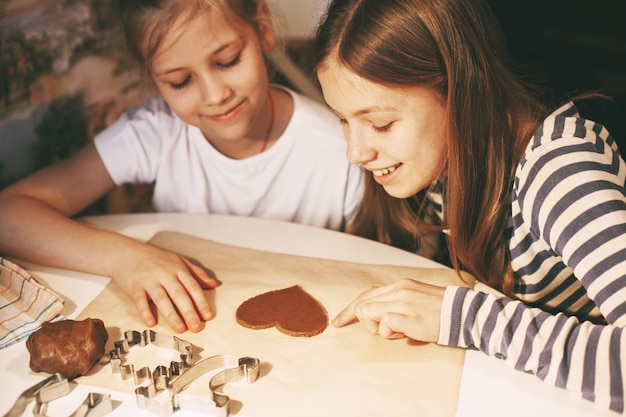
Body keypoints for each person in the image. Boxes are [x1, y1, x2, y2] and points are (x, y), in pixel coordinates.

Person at [314, 0, 626, 413]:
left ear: (461, 88)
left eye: (381, 124)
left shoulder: (561, 172)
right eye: (342, 119)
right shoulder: (449, 155)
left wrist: (465, 317)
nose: (355, 152)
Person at [0, 0, 362, 334]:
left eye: (228, 60)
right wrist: (124, 258)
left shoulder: (346, 149)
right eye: (180, 81)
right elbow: (9, 214)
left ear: (263, 28)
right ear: (153, 78)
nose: (215, 94)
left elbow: (364, 276)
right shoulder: (154, 133)